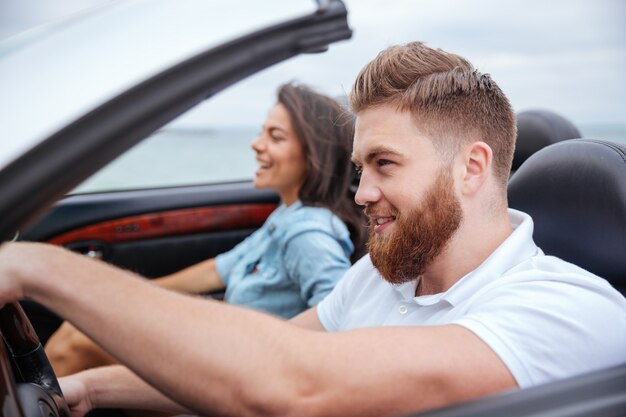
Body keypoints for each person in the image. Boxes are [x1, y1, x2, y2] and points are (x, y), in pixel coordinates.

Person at [1, 42, 625, 417]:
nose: (360, 194)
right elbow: (250, 357)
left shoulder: (565, 310)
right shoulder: (386, 278)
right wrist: (92, 387)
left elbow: (296, 385)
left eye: (384, 165)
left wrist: (42, 269)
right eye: (359, 169)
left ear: (471, 167)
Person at [43, 82, 367, 377]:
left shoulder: (308, 232)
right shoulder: (287, 214)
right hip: (219, 353)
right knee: (87, 325)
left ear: (313, 155)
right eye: (262, 132)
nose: (256, 144)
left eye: (275, 136)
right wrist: (132, 295)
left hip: (239, 375)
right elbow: (218, 269)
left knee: (78, 339)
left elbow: (339, 323)